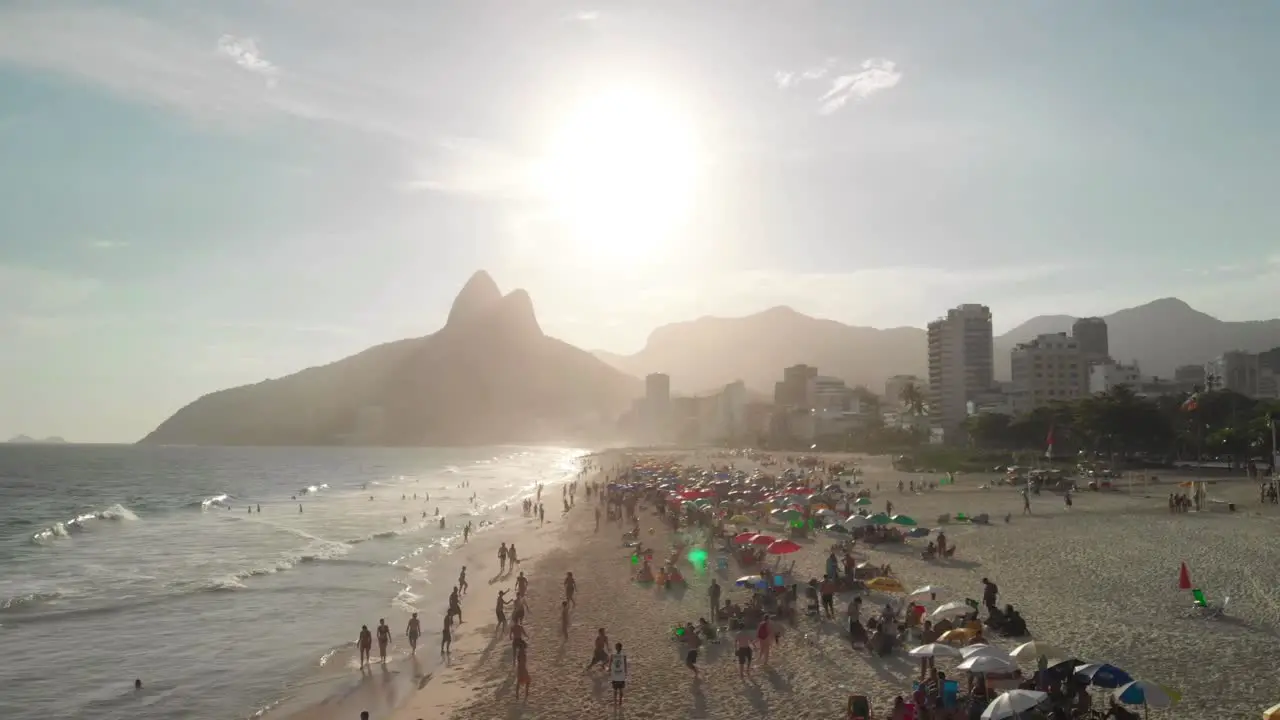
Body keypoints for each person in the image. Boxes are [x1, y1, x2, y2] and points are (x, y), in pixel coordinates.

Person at [609, 642, 628, 708]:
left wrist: (609, 670)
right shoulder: (623, 655)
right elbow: (625, 664)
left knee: (615, 689)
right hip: (620, 674)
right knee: (620, 689)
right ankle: (619, 702)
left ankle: (615, 702)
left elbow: (610, 662)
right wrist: (625, 672)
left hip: (615, 674)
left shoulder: (613, 655)